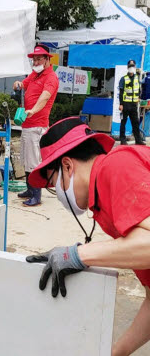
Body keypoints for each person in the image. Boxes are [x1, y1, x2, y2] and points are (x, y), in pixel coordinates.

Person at [25, 117, 150, 356]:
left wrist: (79, 254)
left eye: (53, 182)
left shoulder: (115, 167)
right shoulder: (105, 203)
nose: (57, 192)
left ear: (68, 166)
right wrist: (116, 352)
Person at [12, 44, 59, 207]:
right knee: (26, 159)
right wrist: (18, 84)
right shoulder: (34, 75)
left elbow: (45, 97)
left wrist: (33, 110)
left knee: (34, 162)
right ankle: (29, 190)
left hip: (37, 125)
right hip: (26, 124)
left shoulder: (51, 78)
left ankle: (37, 195)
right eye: (34, 59)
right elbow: (22, 84)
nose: (36, 61)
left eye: (39, 58)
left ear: (47, 59)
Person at [119, 59, 145, 146]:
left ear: (135, 67)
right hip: (125, 104)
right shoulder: (124, 79)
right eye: (130, 66)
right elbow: (121, 92)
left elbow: (139, 90)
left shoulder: (137, 78)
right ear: (127, 67)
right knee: (123, 122)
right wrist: (121, 104)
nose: (131, 68)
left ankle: (138, 140)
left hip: (134, 105)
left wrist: (139, 98)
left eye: (133, 66)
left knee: (135, 123)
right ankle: (122, 140)